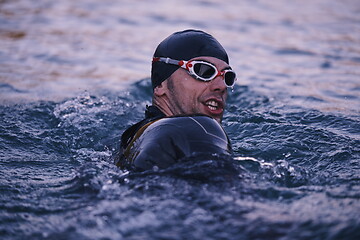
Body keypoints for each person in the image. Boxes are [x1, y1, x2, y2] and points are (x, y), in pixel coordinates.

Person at [115, 29, 237, 171]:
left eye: (227, 77)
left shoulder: (133, 138)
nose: (221, 86)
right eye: (203, 71)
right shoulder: (199, 128)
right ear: (161, 84)